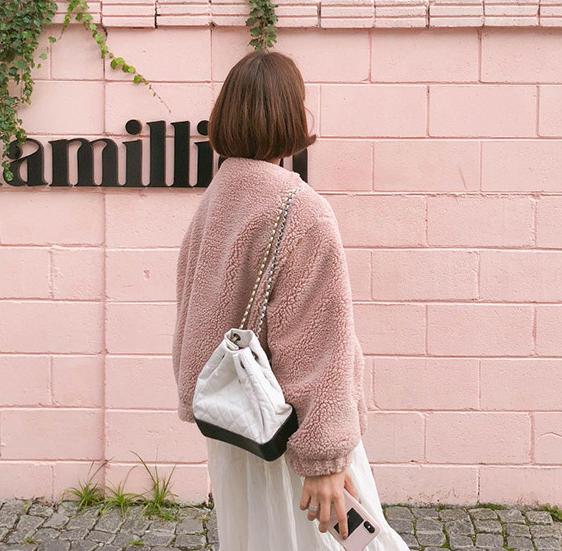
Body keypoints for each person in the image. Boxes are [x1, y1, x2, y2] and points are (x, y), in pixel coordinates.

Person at [172, 50, 410, 551]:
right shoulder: (300, 209)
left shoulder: (216, 200)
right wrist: (324, 459)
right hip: (292, 432)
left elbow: (192, 318)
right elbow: (318, 339)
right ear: (291, 115)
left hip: (237, 427)